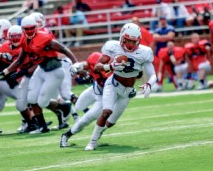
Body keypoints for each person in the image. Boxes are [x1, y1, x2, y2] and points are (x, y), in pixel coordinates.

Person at [0, 16, 78, 134]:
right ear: (23, 29)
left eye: (32, 28)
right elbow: (20, 60)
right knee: (31, 98)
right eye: (26, 29)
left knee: (42, 101)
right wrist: (5, 72)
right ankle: (42, 127)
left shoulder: (44, 37)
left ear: (36, 27)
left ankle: (64, 107)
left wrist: (76, 63)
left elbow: (63, 49)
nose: (29, 31)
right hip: (41, 70)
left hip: (53, 71)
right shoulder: (23, 39)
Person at [84, 23, 157, 151]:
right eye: (127, 40)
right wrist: (110, 67)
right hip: (112, 84)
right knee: (106, 111)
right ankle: (92, 142)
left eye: (133, 41)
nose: (130, 44)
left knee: (111, 123)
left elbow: (153, 74)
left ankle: (100, 130)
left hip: (128, 91)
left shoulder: (144, 52)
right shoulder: (113, 47)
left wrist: (149, 84)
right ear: (122, 37)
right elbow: (97, 67)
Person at [60, 52, 112, 147]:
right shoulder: (96, 58)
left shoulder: (114, 68)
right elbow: (84, 64)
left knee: (86, 120)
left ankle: (66, 136)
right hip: (94, 89)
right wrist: (77, 68)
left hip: (104, 97)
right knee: (79, 105)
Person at [151, 16, 176, 92]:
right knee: (159, 70)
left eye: (163, 20)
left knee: (171, 69)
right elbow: (155, 38)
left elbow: (170, 36)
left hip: (169, 53)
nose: (162, 21)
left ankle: (177, 84)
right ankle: (159, 85)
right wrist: (165, 37)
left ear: (166, 20)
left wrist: (161, 38)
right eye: (161, 20)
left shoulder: (170, 28)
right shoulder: (157, 29)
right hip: (159, 52)